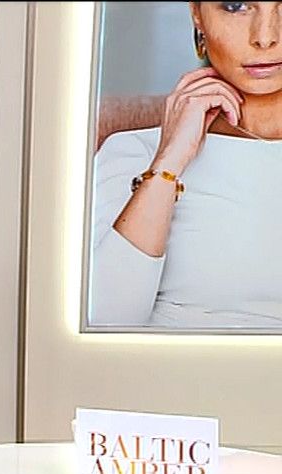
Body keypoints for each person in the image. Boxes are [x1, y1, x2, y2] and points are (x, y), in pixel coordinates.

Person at [90, 1, 282, 329]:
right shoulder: (134, 153)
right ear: (197, 14)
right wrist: (169, 161)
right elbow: (102, 324)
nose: (265, 37)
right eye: (236, 5)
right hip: (169, 363)